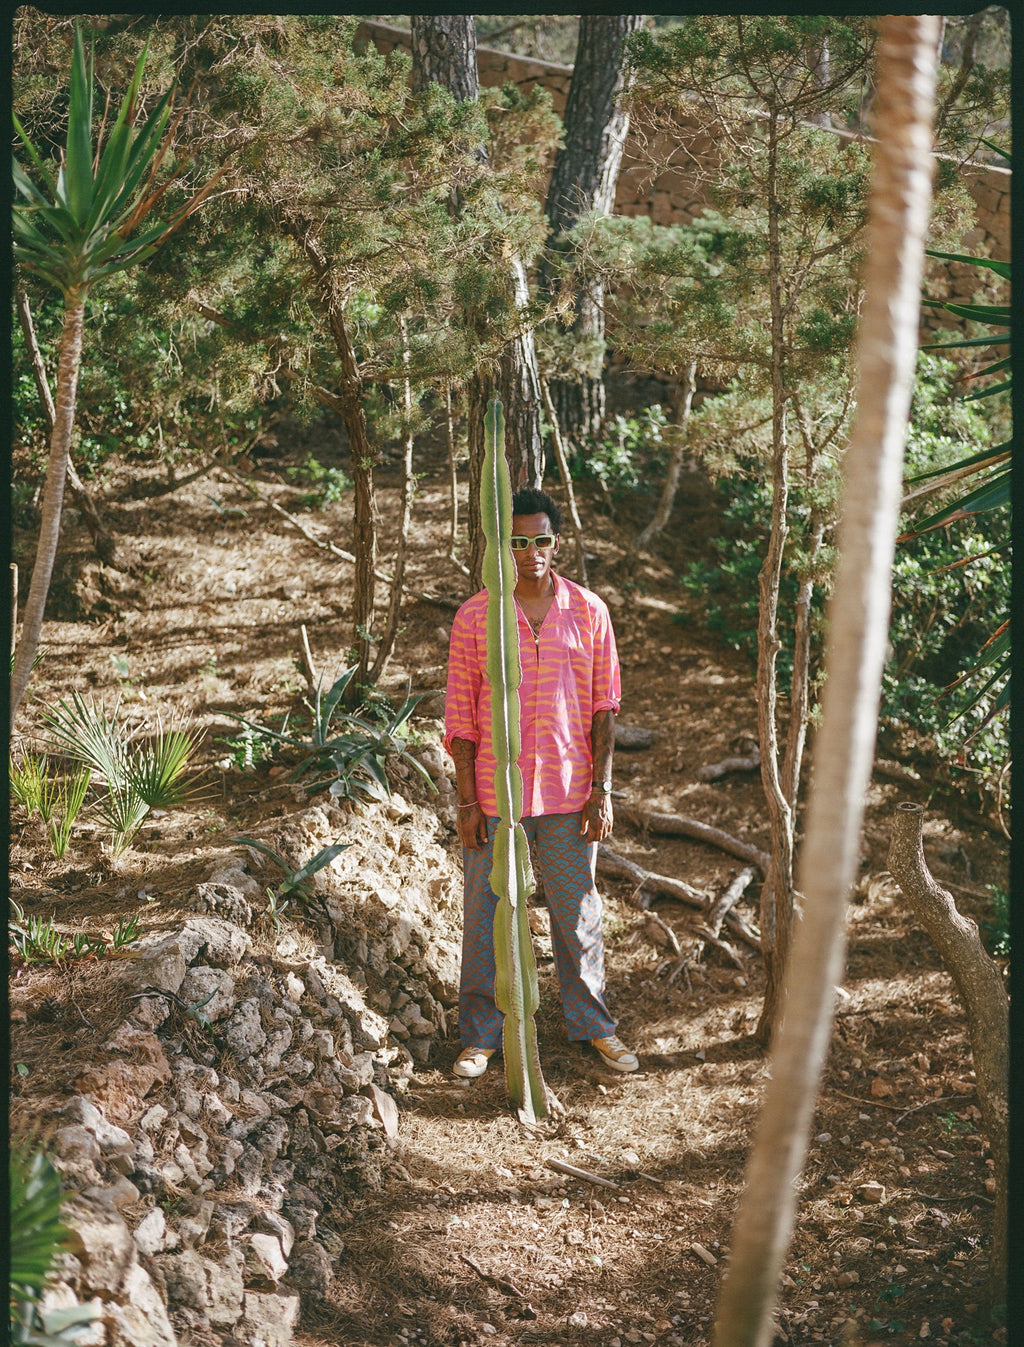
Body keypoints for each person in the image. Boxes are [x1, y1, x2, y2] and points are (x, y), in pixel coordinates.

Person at [443, 486, 638, 1078]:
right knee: (485, 918)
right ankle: (480, 1038)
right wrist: (469, 800)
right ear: (501, 547)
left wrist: (601, 791)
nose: (531, 553)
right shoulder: (476, 616)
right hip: (495, 794)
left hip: (569, 792)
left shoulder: (589, 611)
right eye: (518, 542)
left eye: (541, 540)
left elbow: (605, 707)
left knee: (576, 915)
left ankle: (594, 1026)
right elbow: (461, 716)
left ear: (557, 543)